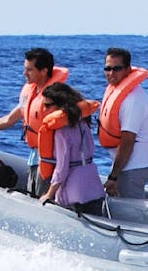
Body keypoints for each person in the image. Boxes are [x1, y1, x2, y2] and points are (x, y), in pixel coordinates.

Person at [0, 48, 69, 196]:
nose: (24, 73)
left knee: (42, 199)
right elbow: (9, 120)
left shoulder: (56, 99)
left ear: (43, 71)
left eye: (29, 70)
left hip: (49, 160)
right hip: (34, 157)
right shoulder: (31, 93)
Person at [37, 83, 106, 216]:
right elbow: (91, 149)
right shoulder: (83, 122)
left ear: (60, 105)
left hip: (74, 192)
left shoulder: (61, 131)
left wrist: (49, 194)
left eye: (48, 105)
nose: (45, 110)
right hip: (93, 185)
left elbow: (62, 167)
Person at [97, 47, 148, 199]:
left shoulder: (133, 100)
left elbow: (127, 142)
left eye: (117, 69)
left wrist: (113, 177)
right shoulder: (116, 92)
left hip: (133, 168)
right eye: (107, 69)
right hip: (124, 166)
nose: (111, 73)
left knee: (132, 215)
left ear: (128, 70)